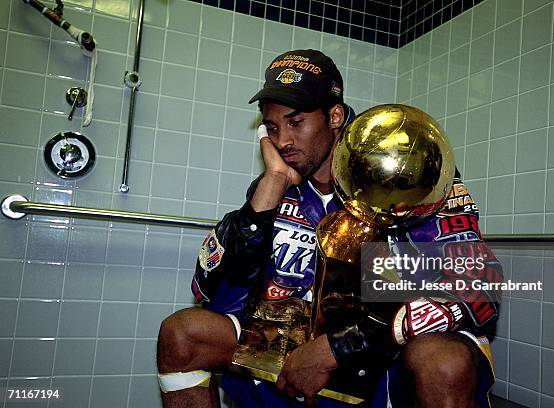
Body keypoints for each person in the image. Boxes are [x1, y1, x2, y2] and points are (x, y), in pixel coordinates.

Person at [157, 49, 502, 408]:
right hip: (291, 333)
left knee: (444, 362)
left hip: (384, 341)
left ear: (335, 116)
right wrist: (270, 188)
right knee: (182, 334)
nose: (283, 141)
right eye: (272, 128)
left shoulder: (403, 169)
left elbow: (476, 281)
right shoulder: (276, 185)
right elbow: (214, 288)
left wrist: (338, 346)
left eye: (296, 122)